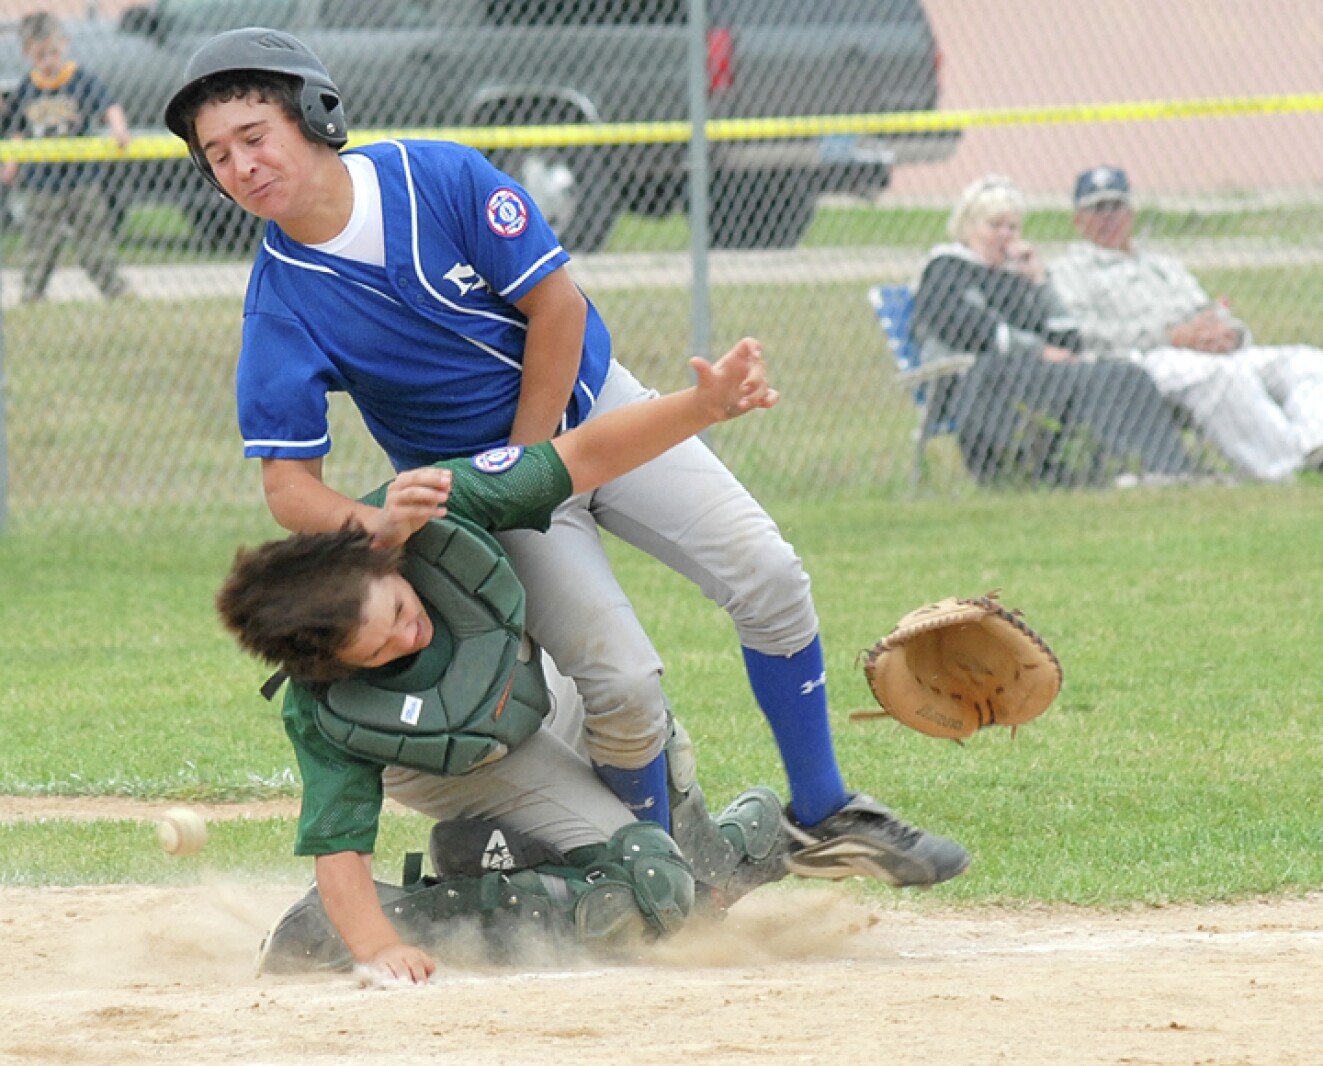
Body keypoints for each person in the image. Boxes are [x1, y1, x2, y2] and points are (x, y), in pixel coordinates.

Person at [165, 28, 970, 888]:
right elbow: (287, 488)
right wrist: (378, 520)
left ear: (314, 116)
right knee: (621, 683)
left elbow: (557, 308)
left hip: (597, 413)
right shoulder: (281, 303)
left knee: (768, 574)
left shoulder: (435, 178)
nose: (240, 165)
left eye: (254, 136)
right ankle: (655, 876)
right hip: (483, 491)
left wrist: (535, 453)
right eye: (217, 155)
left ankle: (823, 811)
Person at [218, 339, 791, 984]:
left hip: (530, 691)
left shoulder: (434, 506)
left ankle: (688, 852)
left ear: (382, 558)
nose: (407, 637)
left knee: (645, 720)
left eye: (401, 611)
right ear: (335, 669)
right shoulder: (333, 711)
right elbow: (340, 849)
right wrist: (379, 945)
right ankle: (413, 913)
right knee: (640, 890)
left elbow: (584, 453)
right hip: (459, 760)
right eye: (377, 650)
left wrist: (703, 406)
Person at [910, 174, 1196, 487]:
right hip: (975, 383)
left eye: (1013, 227)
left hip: (1035, 376)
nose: (1005, 235)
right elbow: (967, 328)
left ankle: (1168, 468)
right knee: (1092, 378)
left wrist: (1040, 282)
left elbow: (1067, 340)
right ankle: (1134, 468)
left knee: (1126, 374)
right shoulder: (946, 269)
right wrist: (1038, 351)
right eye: (994, 226)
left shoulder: (1012, 278)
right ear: (967, 228)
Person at [1050, 165, 1323, 481]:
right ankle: (1288, 469)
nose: (1108, 218)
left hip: (1204, 349)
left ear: (1131, 213)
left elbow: (1208, 309)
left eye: (1115, 207)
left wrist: (1229, 334)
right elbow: (1088, 335)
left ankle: (1315, 447)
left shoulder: (1162, 264)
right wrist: (1170, 336)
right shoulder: (1069, 272)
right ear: (1077, 220)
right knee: (1222, 375)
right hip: (1146, 361)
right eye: (1097, 209)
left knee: (1306, 360)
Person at [0, 11, 131, 304]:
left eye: (53, 52)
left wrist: (118, 129)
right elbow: (18, 131)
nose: (49, 61)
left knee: (93, 236)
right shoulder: (28, 87)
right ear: (27, 54)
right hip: (40, 181)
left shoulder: (80, 79)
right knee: (39, 240)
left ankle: (114, 288)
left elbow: (109, 105)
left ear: (65, 44)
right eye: (40, 55)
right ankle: (33, 292)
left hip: (81, 177)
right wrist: (11, 164)